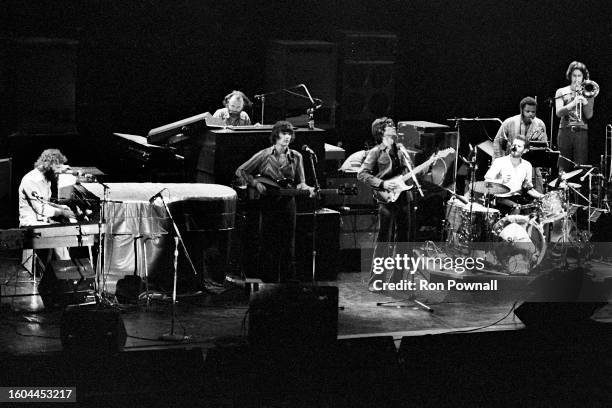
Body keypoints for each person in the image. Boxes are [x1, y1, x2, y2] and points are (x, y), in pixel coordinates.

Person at [235, 121, 314, 282]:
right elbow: (241, 170)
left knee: (288, 242)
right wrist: (255, 183)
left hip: (288, 200)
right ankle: (268, 281)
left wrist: (308, 188)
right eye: (283, 134)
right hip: (269, 202)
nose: (287, 137)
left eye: (289, 134)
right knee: (268, 241)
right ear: (276, 135)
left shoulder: (296, 156)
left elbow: (301, 182)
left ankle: (286, 282)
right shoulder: (264, 154)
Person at [358, 118, 415, 290]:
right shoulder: (376, 152)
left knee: (403, 241)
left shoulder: (401, 149)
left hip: (404, 197)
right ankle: (377, 281)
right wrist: (382, 184)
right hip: (386, 199)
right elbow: (362, 174)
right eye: (390, 126)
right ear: (381, 131)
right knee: (384, 239)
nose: (394, 127)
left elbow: (409, 172)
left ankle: (397, 280)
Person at [19, 149, 75, 262]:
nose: (59, 172)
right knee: (58, 234)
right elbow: (40, 208)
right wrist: (62, 212)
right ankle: (67, 269)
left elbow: (44, 201)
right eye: (57, 168)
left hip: (42, 221)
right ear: (49, 165)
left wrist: (60, 207)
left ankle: (63, 268)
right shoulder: (31, 180)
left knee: (63, 228)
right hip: (30, 224)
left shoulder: (46, 178)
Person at [493, 96, 548, 192]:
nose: (531, 114)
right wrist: (498, 164)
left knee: (538, 193)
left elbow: (544, 146)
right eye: (527, 111)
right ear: (521, 110)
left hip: (531, 166)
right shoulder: (509, 122)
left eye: (533, 112)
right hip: (510, 164)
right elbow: (498, 142)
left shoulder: (540, 124)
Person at [485, 136, 543, 215]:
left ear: (525, 150)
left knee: (533, 208)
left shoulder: (527, 165)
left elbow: (528, 187)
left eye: (519, 146)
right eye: (514, 145)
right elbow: (487, 181)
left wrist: (540, 196)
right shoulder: (499, 162)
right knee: (516, 207)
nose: (515, 148)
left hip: (518, 198)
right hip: (501, 198)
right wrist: (501, 181)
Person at [555, 61, 595, 171]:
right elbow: (558, 113)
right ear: (570, 76)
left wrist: (586, 103)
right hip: (565, 131)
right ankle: (562, 187)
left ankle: (581, 188)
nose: (576, 79)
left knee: (581, 166)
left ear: (583, 77)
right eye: (574, 75)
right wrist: (572, 104)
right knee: (563, 164)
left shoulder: (588, 92)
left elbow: (589, 115)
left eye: (579, 76)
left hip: (581, 132)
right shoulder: (561, 91)